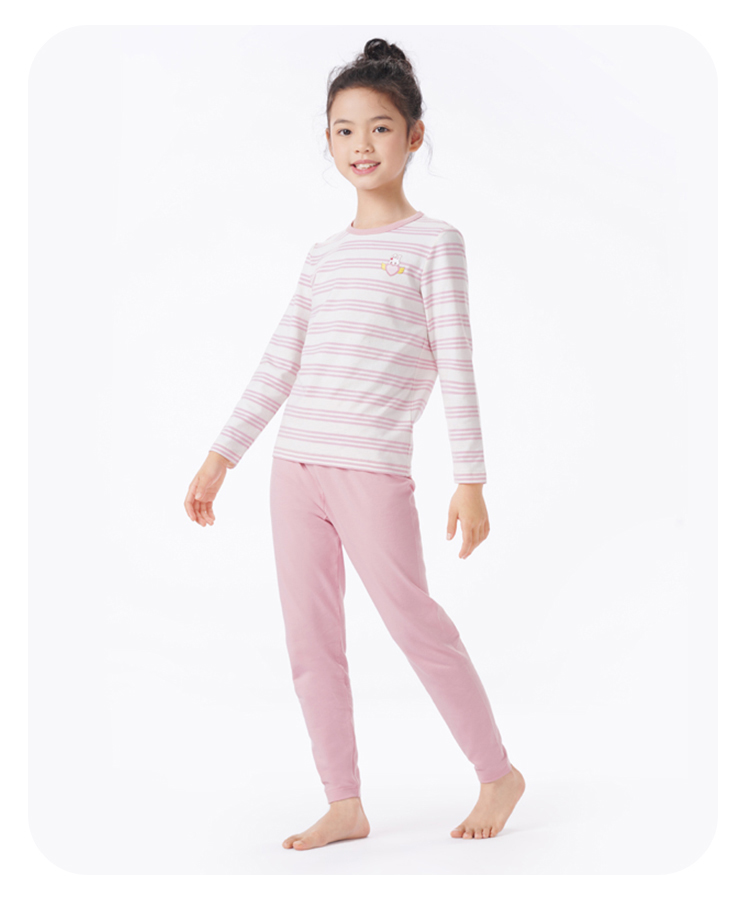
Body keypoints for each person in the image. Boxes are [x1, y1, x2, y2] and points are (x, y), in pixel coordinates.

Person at [184, 37, 525, 851]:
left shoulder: (435, 244)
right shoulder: (324, 256)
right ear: (329, 141)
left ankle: (498, 773)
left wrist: (471, 477)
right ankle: (344, 801)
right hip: (294, 467)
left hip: (372, 471)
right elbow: (280, 360)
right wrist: (222, 453)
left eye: (379, 127)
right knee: (311, 641)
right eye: (343, 130)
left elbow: (457, 363)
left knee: (415, 622)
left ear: (413, 136)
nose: (360, 145)